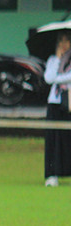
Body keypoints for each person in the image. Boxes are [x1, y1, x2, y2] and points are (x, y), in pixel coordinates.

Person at [43, 30, 71, 187]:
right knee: (53, 139)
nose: (64, 44)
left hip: (70, 103)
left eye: (67, 40)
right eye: (61, 41)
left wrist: (57, 78)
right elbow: (48, 78)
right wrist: (58, 61)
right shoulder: (53, 59)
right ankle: (51, 175)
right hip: (55, 102)